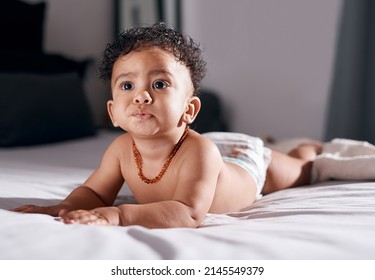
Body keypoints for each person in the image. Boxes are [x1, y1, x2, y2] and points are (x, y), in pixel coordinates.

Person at [13, 23, 322, 228]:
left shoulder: (200, 151)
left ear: (189, 109)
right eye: (127, 87)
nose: (141, 97)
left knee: (302, 170)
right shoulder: (121, 149)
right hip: (215, 152)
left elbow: (188, 213)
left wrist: (120, 215)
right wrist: (63, 208)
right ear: (113, 113)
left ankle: (309, 148)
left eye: (159, 84)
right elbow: (94, 192)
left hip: (247, 166)